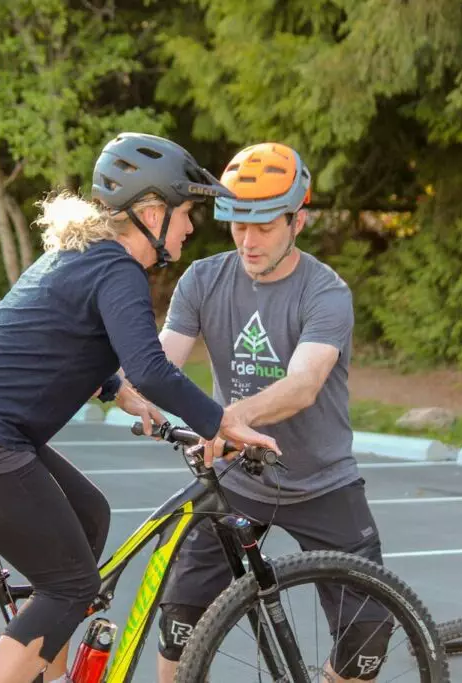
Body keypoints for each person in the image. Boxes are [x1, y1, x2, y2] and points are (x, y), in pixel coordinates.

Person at [0, 132, 280, 683]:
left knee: (89, 518)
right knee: (73, 585)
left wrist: (115, 391)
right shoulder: (115, 268)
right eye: (186, 212)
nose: (192, 227)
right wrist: (224, 422)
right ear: (152, 211)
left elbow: (58, 333)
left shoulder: (83, 256)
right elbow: (152, 368)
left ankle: (42, 668)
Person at [151, 143, 390, 683]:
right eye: (238, 224)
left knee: (368, 634)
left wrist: (226, 417)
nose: (248, 240)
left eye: (264, 226)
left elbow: (303, 385)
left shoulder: (326, 292)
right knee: (180, 623)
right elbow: (161, 360)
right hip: (234, 479)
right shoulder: (203, 280)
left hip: (321, 483)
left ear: (297, 221)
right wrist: (130, 392)